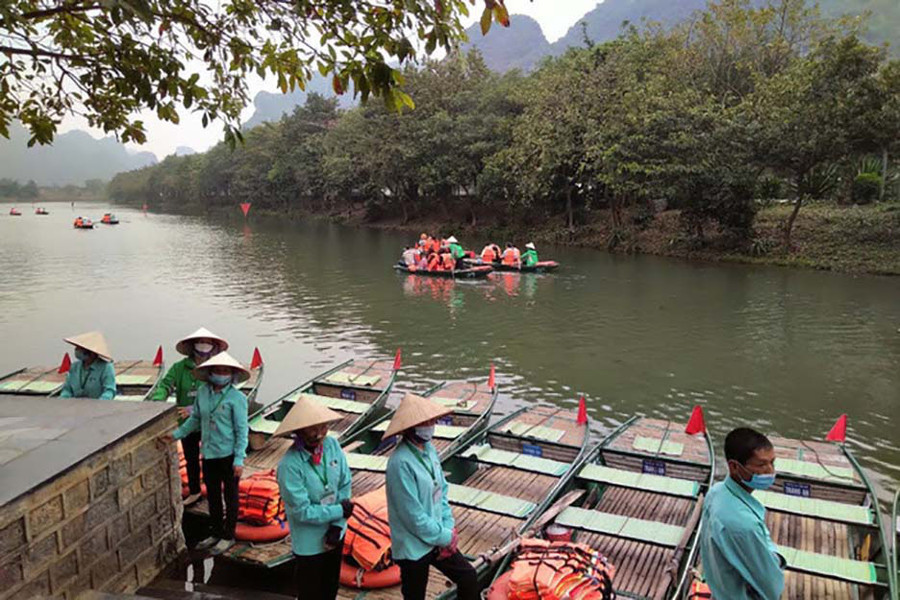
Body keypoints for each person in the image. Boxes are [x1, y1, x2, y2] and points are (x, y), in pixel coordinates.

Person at [384, 393, 480, 600]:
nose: (430, 425)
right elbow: (413, 516)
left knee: (468, 576)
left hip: (438, 534)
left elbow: (442, 491)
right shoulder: (400, 463)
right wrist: (444, 537)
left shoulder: (429, 450)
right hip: (413, 544)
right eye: (424, 422)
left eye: (431, 421)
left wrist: (448, 528)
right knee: (414, 594)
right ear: (411, 427)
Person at [169, 351, 250, 556]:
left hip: (229, 454)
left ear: (232, 375)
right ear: (210, 372)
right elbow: (195, 419)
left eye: (226, 371)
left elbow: (242, 430)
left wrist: (239, 458)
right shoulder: (203, 393)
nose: (221, 374)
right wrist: (175, 435)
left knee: (230, 496)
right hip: (209, 453)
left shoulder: (237, 398)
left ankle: (228, 535)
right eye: (218, 370)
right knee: (213, 495)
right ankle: (215, 531)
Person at [274, 395, 354, 600]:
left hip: (336, 534)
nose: (319, 434)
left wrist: (338, 524)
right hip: (309, 543)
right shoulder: (289, 465)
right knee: (310, 593)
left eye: (323, 427)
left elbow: (345, 484)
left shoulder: (332, 446)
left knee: (330, 590)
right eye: (312, 429)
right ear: (299, 431)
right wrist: (338, 511)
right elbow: (301, 510)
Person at [698, 427, 785, 600]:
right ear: (734, 467)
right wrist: (777, 560)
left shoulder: (716, 491)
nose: (770, 471)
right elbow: (771, 588)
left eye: (772, 463)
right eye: (761, 465)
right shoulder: (743, 525)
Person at [151, 327, 229, 507]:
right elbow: (165, 385)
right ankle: (194, 491)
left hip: (211, 423)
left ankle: (217, 491)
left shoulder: (215, 369)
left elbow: (219, 396)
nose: (204, 346)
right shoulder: (179, 368)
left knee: (213, 459)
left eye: (208, 343)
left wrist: (194, 409)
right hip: (187, 424)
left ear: (213, 347)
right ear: (193, 346)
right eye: (201, 342)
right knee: (191, 458)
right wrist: (157, 402)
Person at [59, 331, 117, 399]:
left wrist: (102, 402)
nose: (76, 350)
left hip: (97, 406)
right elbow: (67, 389)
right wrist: (63, 398)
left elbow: (109, 391)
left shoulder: (106, 367)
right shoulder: (74, 367)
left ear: (91, 352)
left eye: (79, 348)